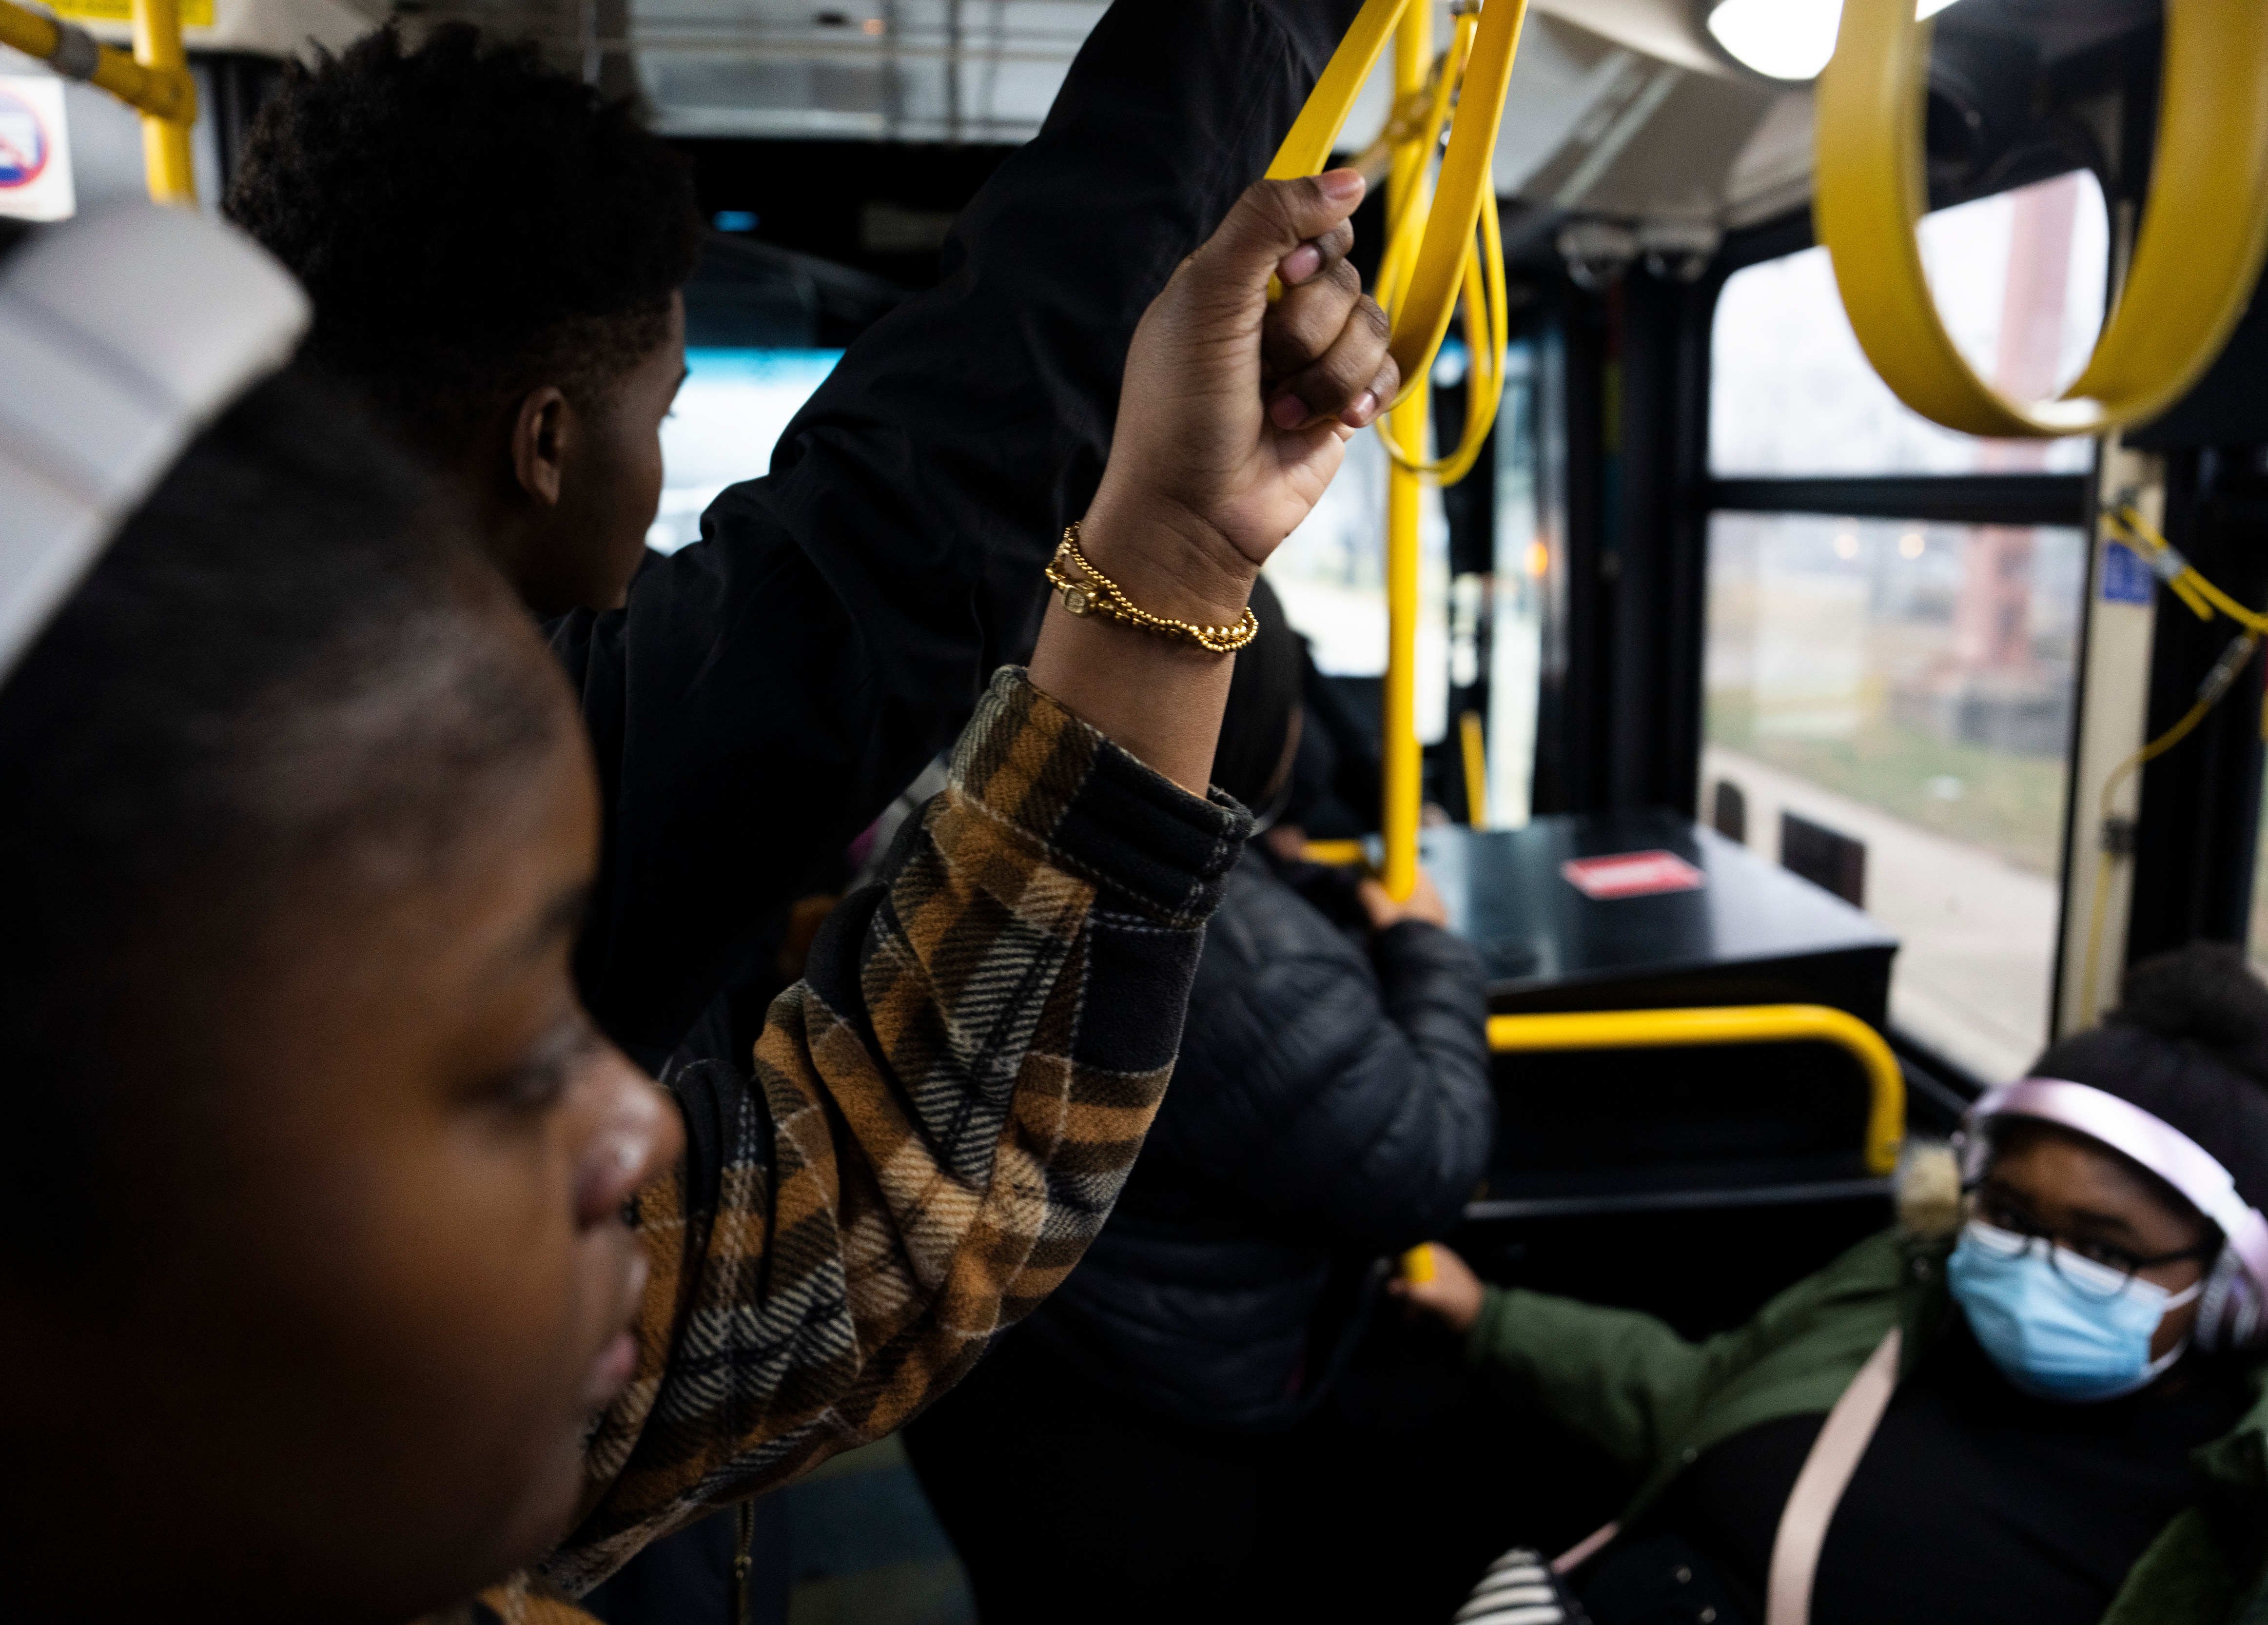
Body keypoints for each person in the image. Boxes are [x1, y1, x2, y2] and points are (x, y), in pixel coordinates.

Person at [0, 155, 1391, 1625]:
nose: (641, 1117)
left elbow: (886, 1198)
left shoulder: (266, 1403)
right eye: (505, 1064)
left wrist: (1178, 545)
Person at [222, 0, 1380, 1081]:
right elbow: (919, 516)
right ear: (547, 445)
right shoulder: (469, 759)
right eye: (663, 412)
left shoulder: (206, 691)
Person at [1398, 943, 2268, 1625]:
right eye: (2011, 1214)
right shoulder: (1901, 1294)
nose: (2032, 1260)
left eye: (2104, 1247)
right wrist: (1490, 1313)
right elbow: (1698, 1390)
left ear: (2222, 1286)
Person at [902, 577, 1496, 1624]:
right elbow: (1425, 1158)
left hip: (1007, 1365)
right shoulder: (1244, 960)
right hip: (1134, 1416)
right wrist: (1429, 951)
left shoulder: (985, 844)